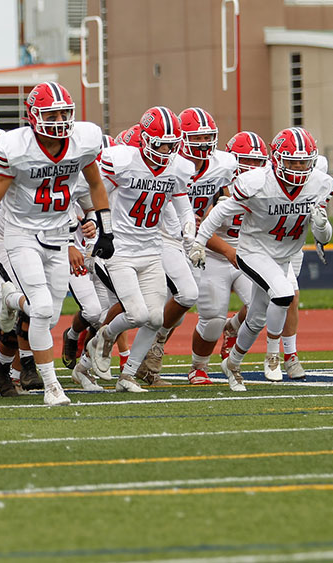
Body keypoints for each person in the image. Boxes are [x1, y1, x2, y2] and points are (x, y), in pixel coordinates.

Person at [0, 82, 115, 406]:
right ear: (34, 116)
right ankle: (53, 386)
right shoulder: (17, 148)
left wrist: (106, 229)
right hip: (21, 234)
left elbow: (96, 185)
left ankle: (12, 301)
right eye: (51, 113)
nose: (59, 119)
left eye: (64, 113)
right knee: (40, 309)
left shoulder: (82, 142)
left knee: (49, 317)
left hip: (59, 234)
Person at [189, 127, 333, 392]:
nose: (299, 167)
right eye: (292, 161)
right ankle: (274, 355)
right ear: (278, 159)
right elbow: (222, 209)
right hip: (253, 251)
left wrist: (321, 224)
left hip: (284, 255)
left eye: (304, 161)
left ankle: (233, 363)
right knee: (283, 294)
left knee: (256, 318)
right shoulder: (258, 182)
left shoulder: (319, 184)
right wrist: (199, 241)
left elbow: (324, 237)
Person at [87, 106, 196, 394]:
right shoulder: (123, 160)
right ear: (145, 138)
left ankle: (128, 375)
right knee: (136, 314)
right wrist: (96, 226)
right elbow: (97, 193)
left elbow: (185, 207)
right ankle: (104, 337)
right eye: (162, 143)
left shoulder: (177, 168)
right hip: (121, 247)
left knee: (158, 317)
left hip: (151, 249)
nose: (167, 149)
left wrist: (189, 229)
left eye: (173, 144)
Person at [134, 107, 237, 386]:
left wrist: (216, 211)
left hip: (195, 241)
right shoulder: (172, 162)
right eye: (197, 137)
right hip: (165, 236)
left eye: (208, 137)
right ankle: (138, 350)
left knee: (180, 304)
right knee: (163, 299)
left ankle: (149, 351)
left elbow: (230, 193)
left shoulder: (223, 163)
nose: (204, 144)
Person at [187, 131, 267, 385]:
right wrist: (228, 252)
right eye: (246, 160)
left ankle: (233, 331)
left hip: (247, 254)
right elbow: (202, 230)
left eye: (257, 162)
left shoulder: (268, 186)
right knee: (212, 320)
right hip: (215, 255)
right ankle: (198, 367)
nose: (252, 167)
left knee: (262, 306)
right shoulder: (219, 183)